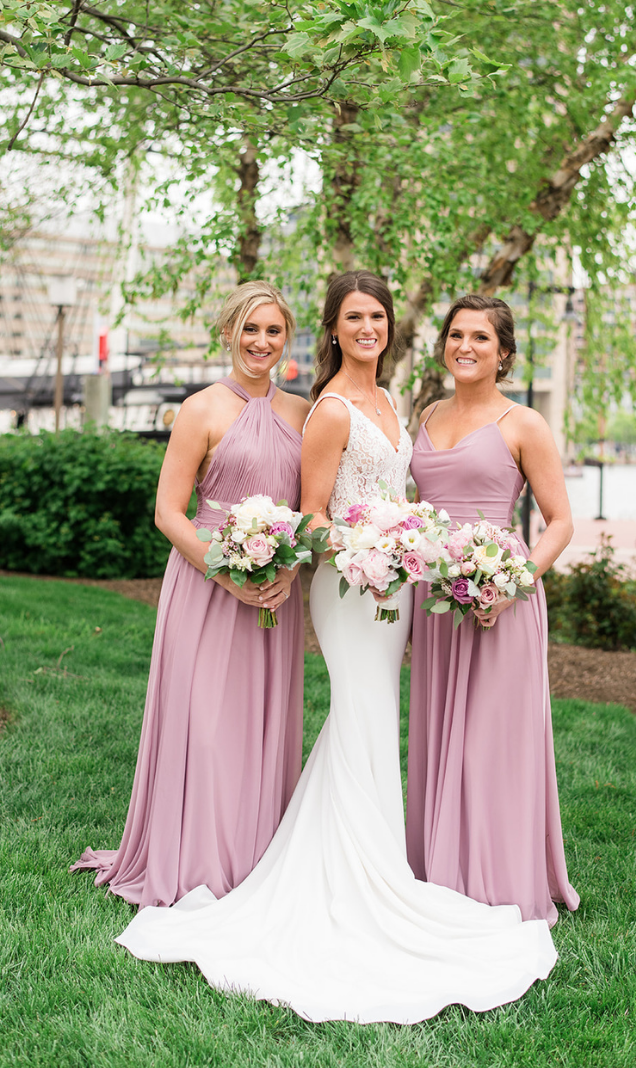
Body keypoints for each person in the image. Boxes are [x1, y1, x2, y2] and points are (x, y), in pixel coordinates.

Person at [111, 271, 556, 1024]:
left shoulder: (391, 403)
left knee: (373, 728)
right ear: (333, 328)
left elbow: (400, 493)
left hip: (393, 589)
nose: (367, 328)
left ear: (389, 326)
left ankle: (375, 863)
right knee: (361, 719)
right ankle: (357, 883)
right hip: (353, 587)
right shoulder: (331, 408)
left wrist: (406, 542)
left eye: (377, 316)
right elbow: (312, 517)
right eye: (353, 317)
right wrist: (368, 546)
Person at [73, 281, 308, 907]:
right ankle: (195, 855)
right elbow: (169, 513)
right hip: (206, 584)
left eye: (273, 331)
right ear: (227, 334)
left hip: (276, 591)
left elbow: (312, 510)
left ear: (288, 339)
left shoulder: (302, 413)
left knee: (262, 724)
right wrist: (225, 571)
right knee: (205, 725)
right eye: (249, 330)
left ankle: (257, 857)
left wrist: (290, 568)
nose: (261, 342)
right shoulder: (200, 409)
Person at [406, 294, 579, 925]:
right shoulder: (426, 415)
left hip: (499, 595)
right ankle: (435, 867)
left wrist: (516, 580)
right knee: (437, 730)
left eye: (481, 337)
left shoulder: (523, 423)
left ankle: (495, 875)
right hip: (436, 597)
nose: (465, 347)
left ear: (503, 352)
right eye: (456, 335)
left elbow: (560, 522)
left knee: (490, 741)